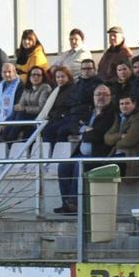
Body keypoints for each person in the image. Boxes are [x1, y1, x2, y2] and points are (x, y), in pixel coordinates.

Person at [54, 84, 115, 214]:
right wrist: (84, 129)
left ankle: (75, 203)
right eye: (98, 94)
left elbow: (97, 135)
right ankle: (67, 203)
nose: (101, 97)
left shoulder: (111, 114)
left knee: (78, 164)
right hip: (82, 154)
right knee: (63, 166)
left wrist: (85, 131)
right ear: (93, 97)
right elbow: (73, 126)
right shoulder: (88, 112)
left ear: (110, 97)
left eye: (105, 95)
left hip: (100, 156)